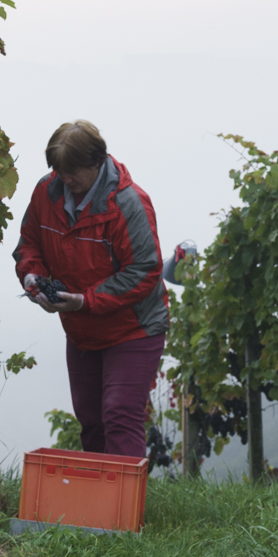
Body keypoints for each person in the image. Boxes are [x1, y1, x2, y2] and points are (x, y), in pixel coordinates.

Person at [14, 120, 167, 461]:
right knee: (92, 421)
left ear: (97, 162)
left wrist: (85, 300)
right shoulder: (46, 192)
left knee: (120, 416)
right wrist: (31, 276)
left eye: (72, 171)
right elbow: (29, 244)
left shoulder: (129, 204)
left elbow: (145, 271)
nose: (65, 179)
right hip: (82, 329)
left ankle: (125, 512)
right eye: (58, 170)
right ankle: (99, 507)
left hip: (134, 328)